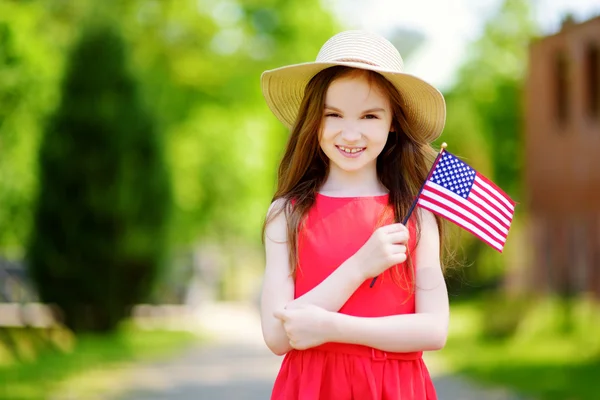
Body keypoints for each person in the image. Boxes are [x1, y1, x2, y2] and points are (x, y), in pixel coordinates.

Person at [259, 30, 450, 400]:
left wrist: (331, 327)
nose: (350, 133)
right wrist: (361, 265)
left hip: (393, 389)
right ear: (315, 119)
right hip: (313, 387)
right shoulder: (286, 214)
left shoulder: (416, 214)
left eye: (369, 116)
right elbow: (278, 335)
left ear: (393, 121)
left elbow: (434, 329)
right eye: (334, 114)